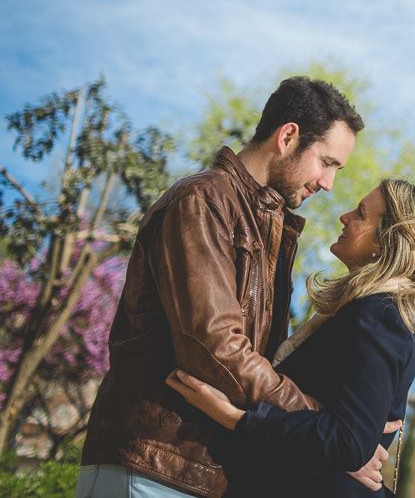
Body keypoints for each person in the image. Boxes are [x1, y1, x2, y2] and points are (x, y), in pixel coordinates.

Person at [78, 77, 391, 498]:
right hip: (154, 467)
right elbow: (215, 348)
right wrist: (328, 427)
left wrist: (332, 437)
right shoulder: (203, 202)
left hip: (204, 471)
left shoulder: (267, 226)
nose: (329, 183)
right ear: (288, 136)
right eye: (327, 162)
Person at [166, 178, 415, 497]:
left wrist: (234, 418)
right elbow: (352, 437)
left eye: (360, 213)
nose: (344, 216)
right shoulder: (370, 314)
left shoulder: (379, 316)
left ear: (388, 240)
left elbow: (349, 441)